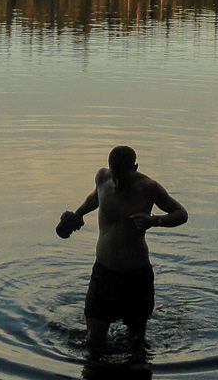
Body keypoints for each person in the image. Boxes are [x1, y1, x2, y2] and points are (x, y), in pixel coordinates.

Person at [56, 145, 187, 358]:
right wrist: (77, 215)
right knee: (93, 342)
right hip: (104, 273)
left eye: (123, 173)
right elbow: (95, 198)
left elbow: (181, 214)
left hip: (136, 275)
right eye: (114, 171)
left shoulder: (149, 188)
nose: (118, 179)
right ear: (110, 167)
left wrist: (154, 221)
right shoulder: (103, 178)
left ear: (134, 168)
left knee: (136, 343)